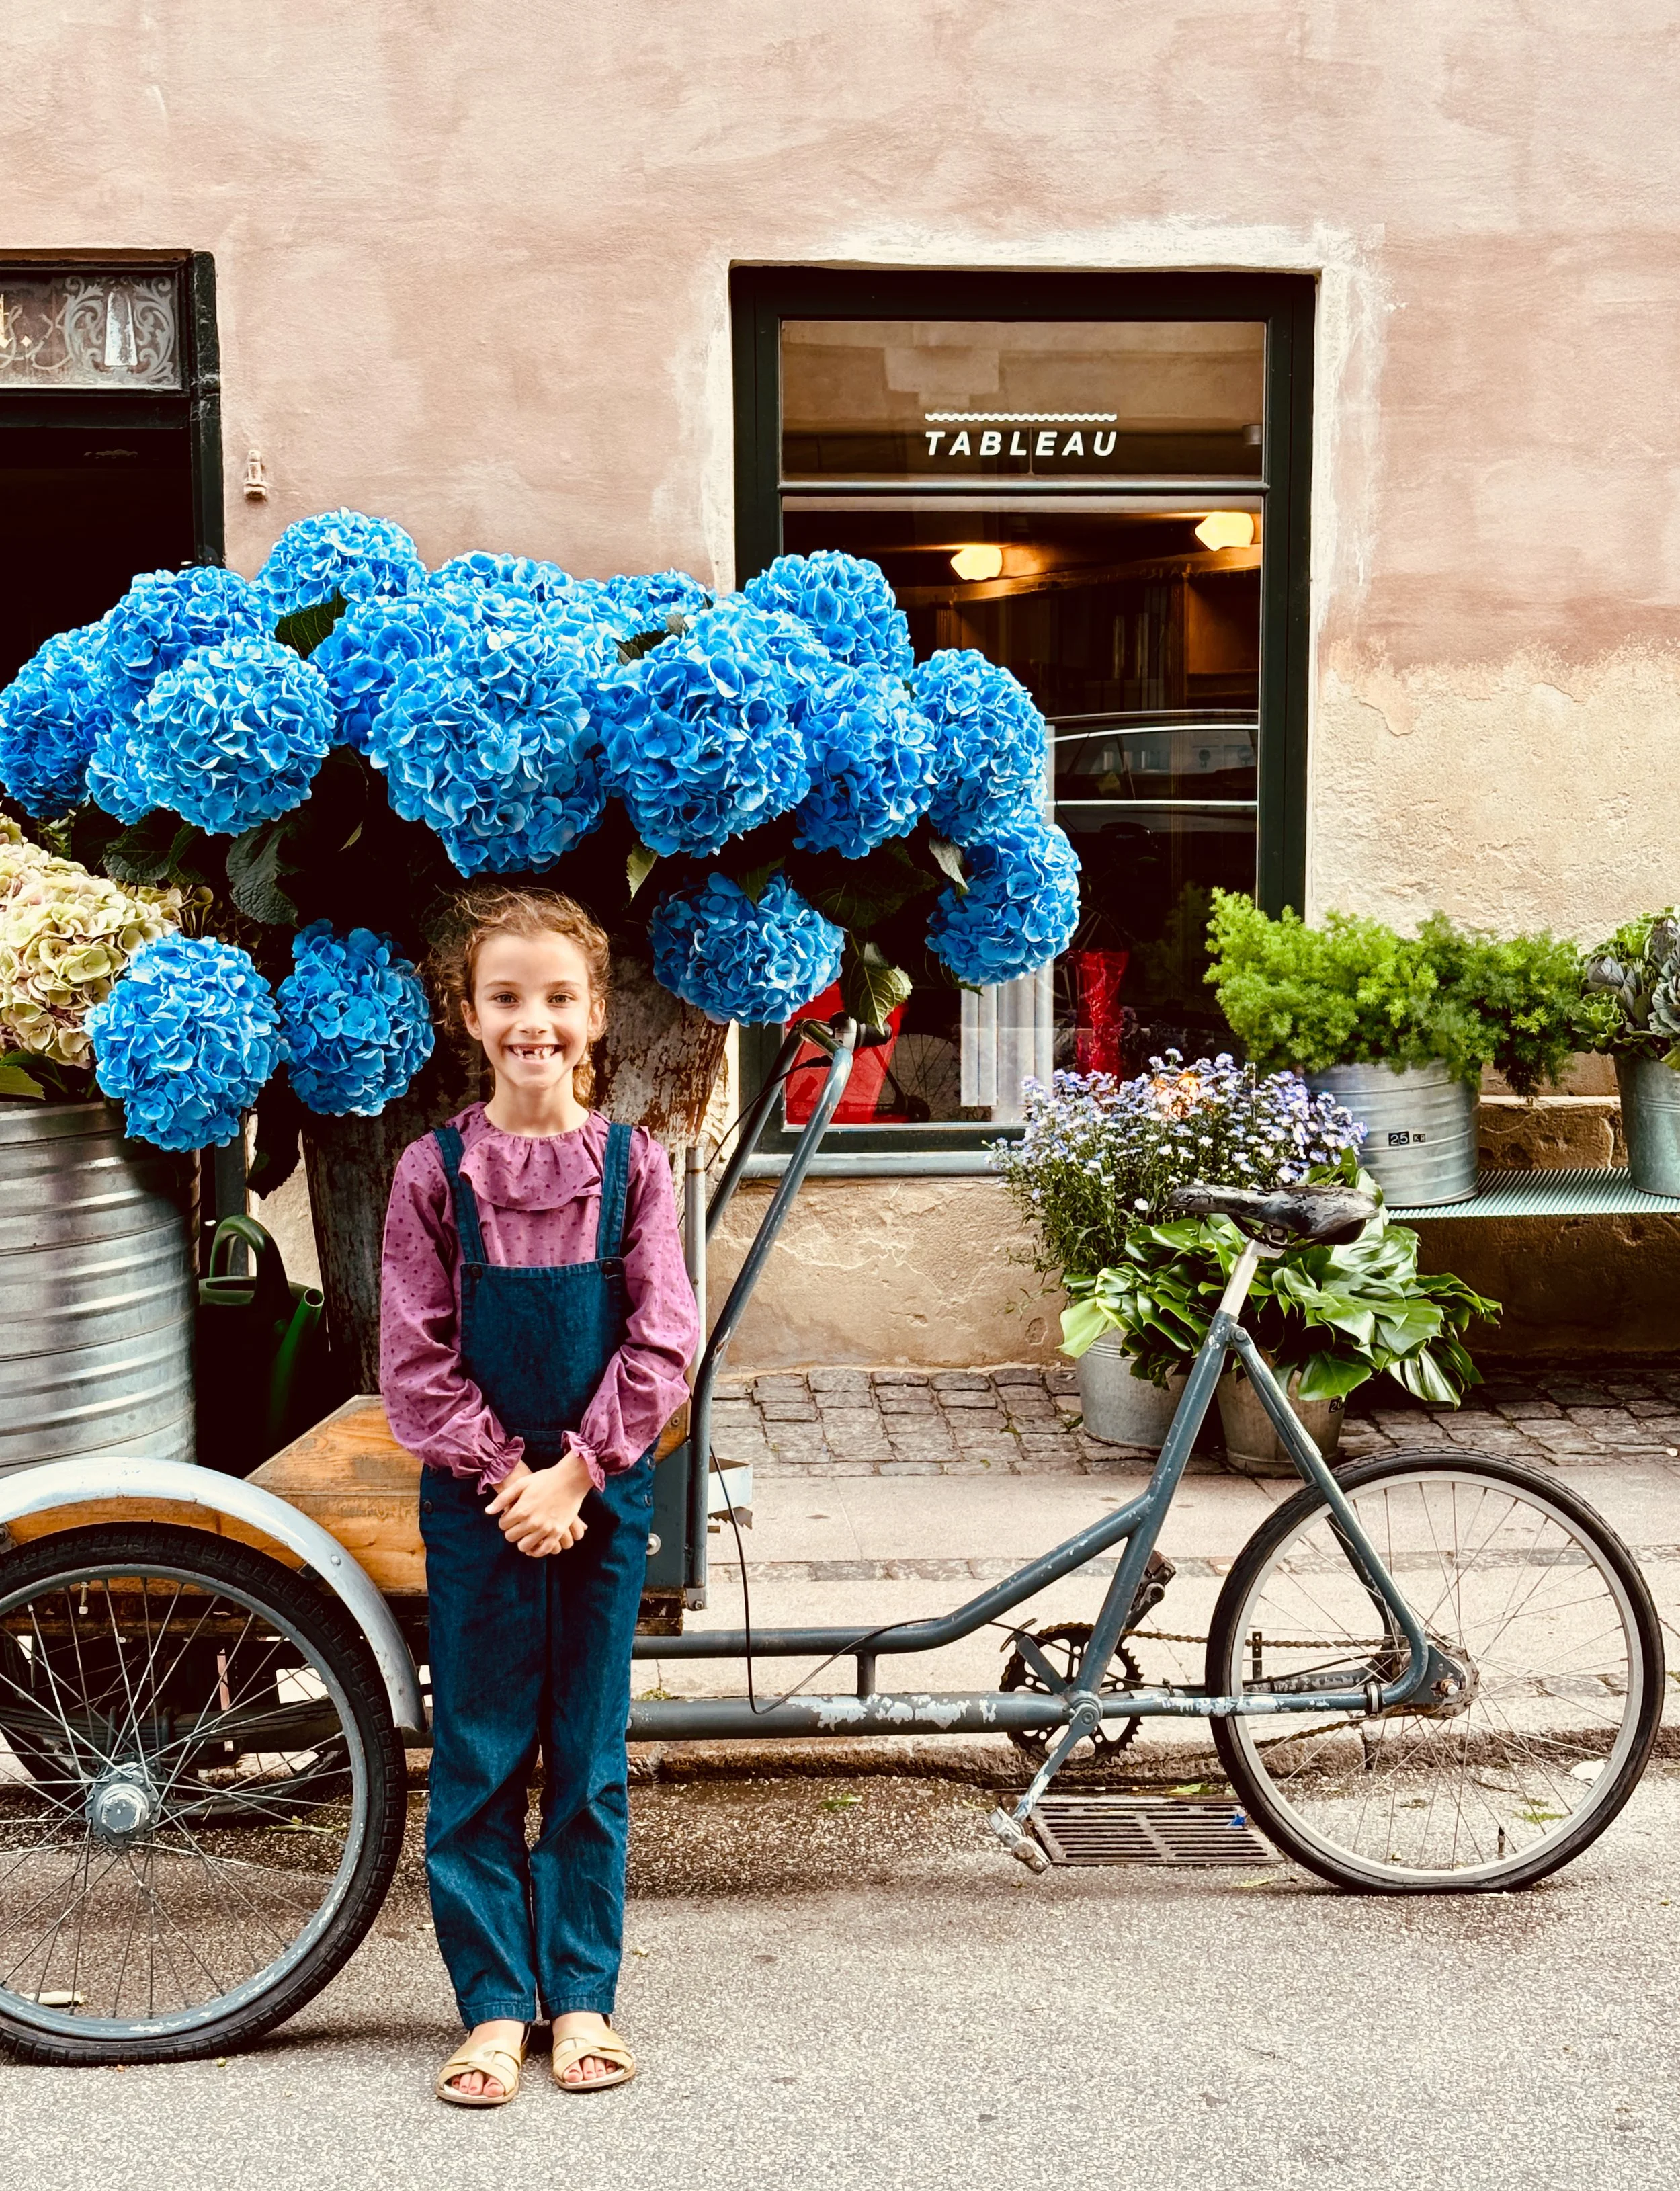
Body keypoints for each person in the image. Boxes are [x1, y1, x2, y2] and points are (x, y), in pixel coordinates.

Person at [380, 884, 699, 2107]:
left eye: (558, 998)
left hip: (599, 1494)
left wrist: (576, 1471)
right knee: (476, 1749)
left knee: (587, 1750)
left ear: (596, 1015)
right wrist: (511, 1480)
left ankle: (581, 1996)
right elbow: (416, 1356)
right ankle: (492, 2007)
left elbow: (663, 1341)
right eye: (508, 997)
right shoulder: (432, 1173)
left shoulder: (632, 1168)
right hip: (479, 1503)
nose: (535, 1023)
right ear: (471, 1012)